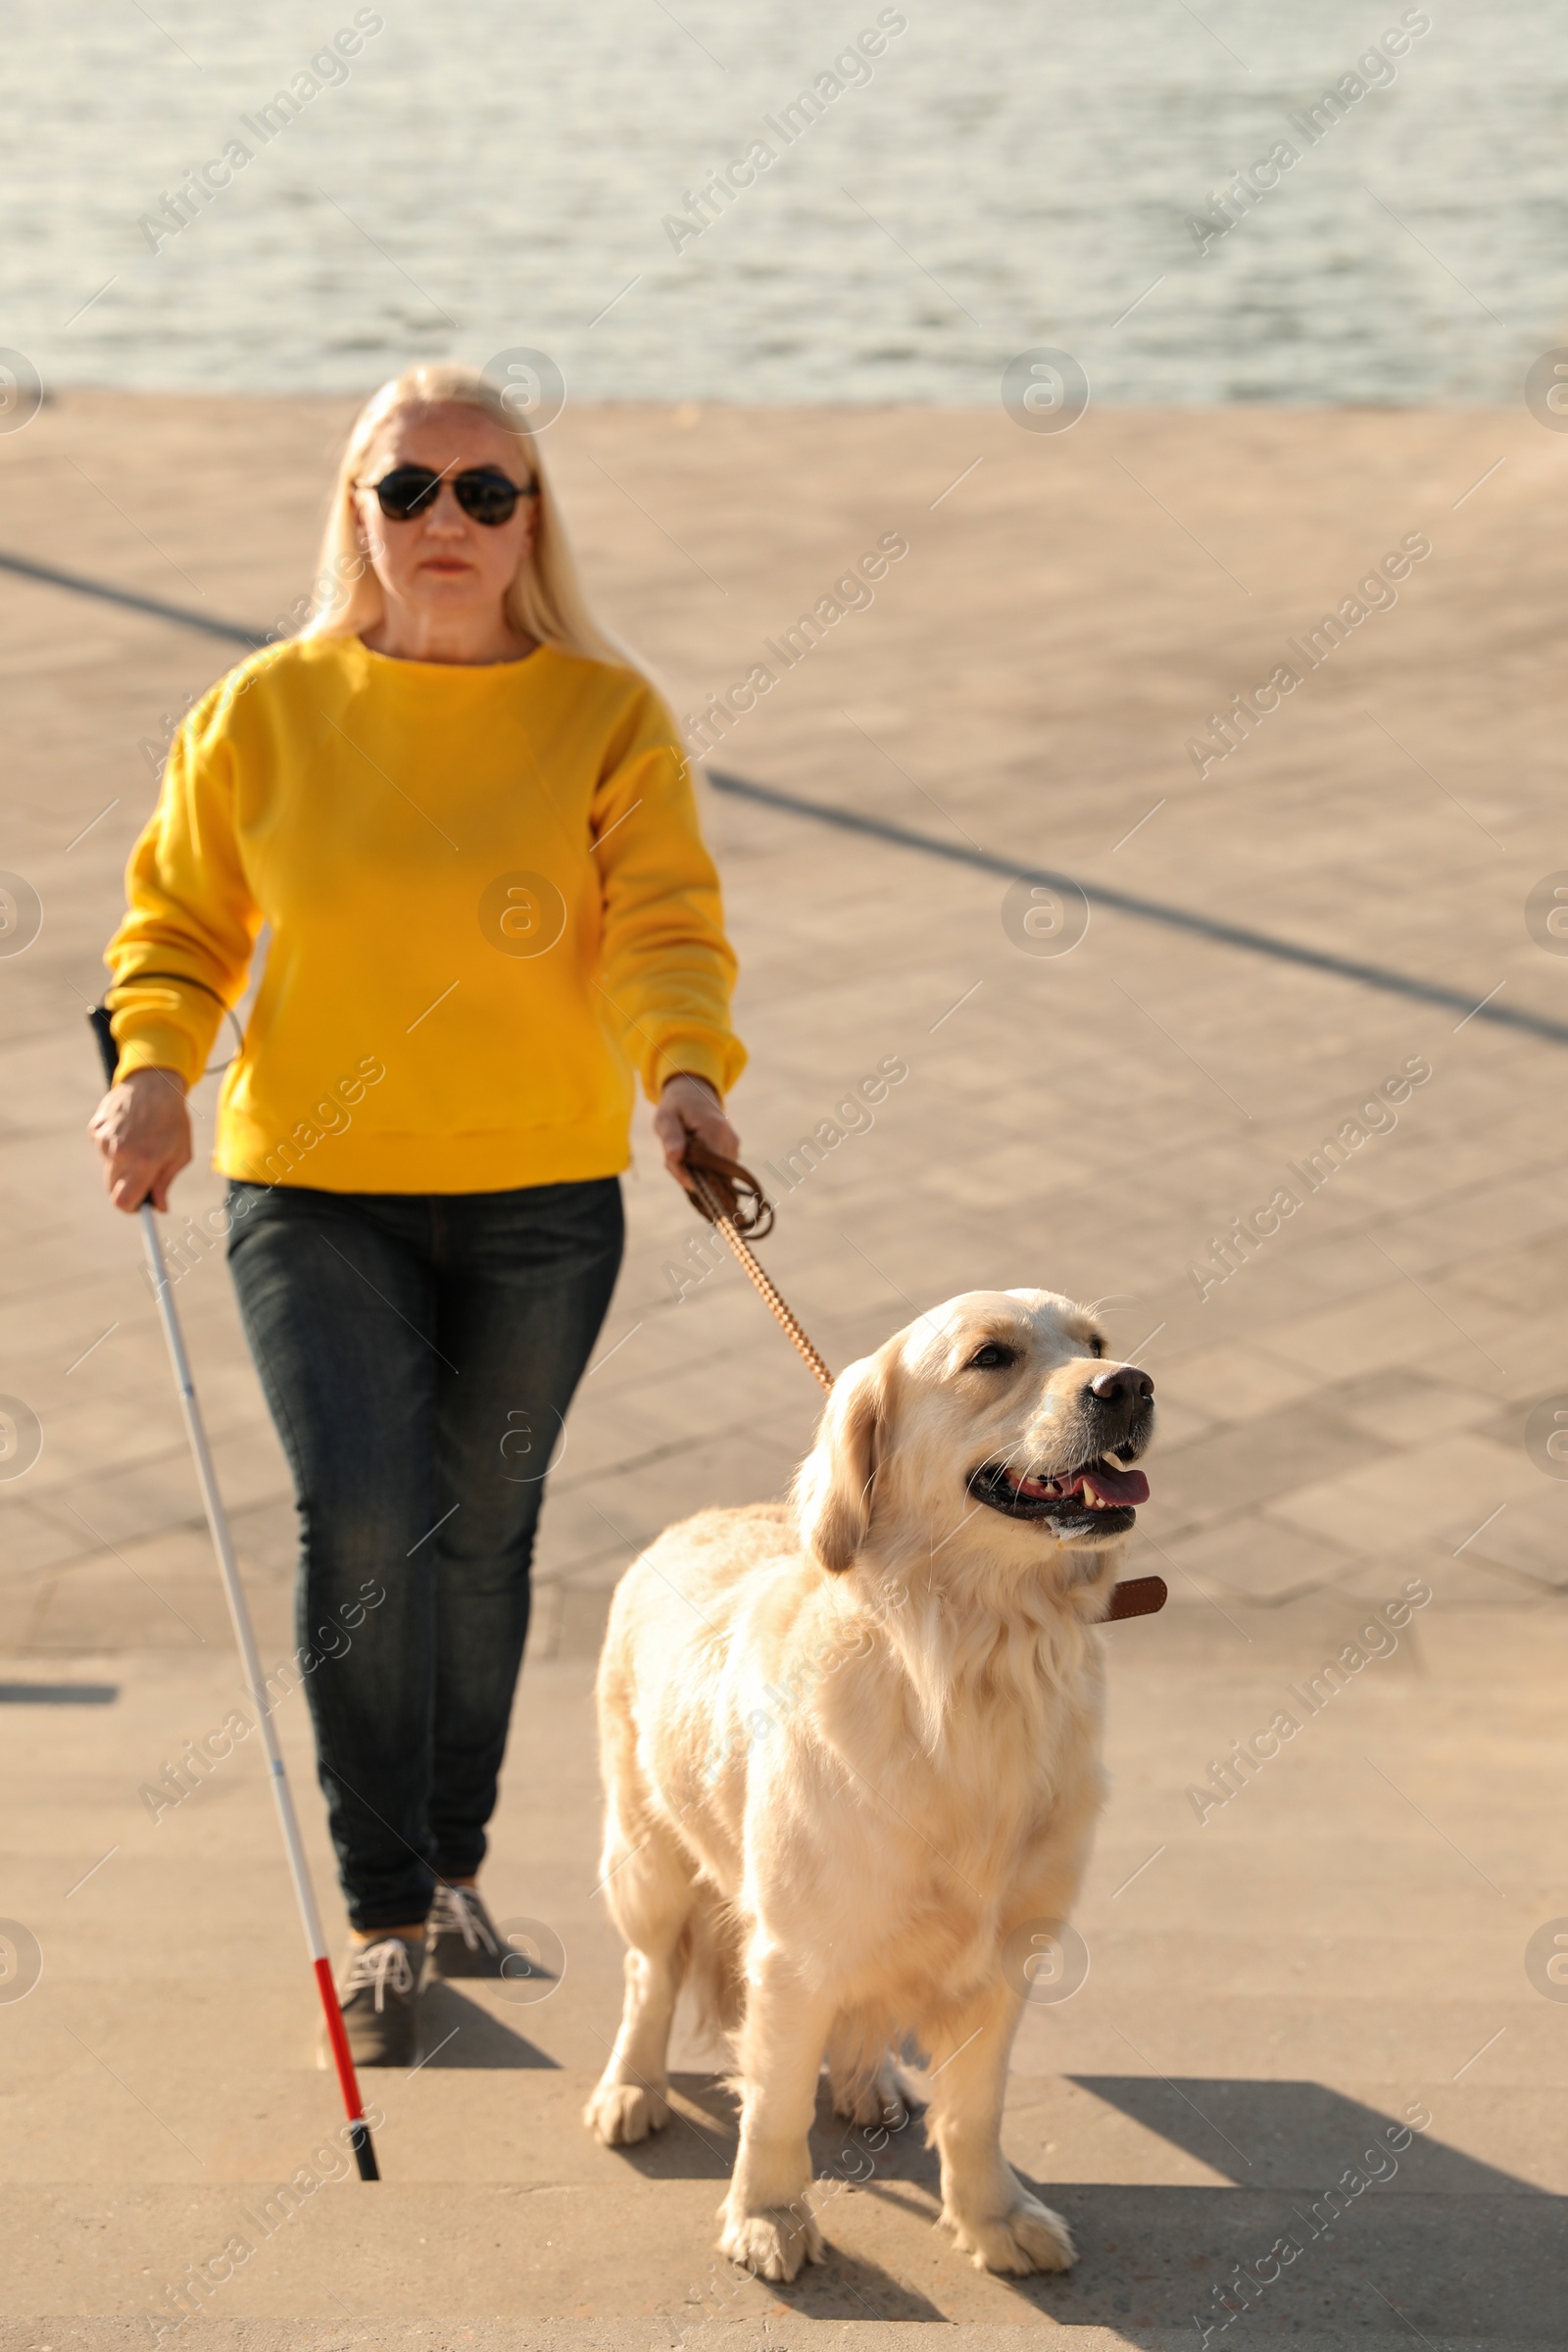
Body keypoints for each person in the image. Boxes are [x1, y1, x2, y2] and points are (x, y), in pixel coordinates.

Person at [88, 363, 745, 2063]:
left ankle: (453, 1869)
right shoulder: (262, 711)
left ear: (532, 521)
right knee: (366, 1524)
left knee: (486, 1537)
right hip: (313, 1192)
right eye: (408, 489)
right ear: (356, 510)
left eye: (483, 490)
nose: (443, 520)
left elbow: (664, 922)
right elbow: (175, 924)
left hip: (541, 1196)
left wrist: (683, 1071)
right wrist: (155, 1066)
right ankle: (383, 1915)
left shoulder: (608, 713)